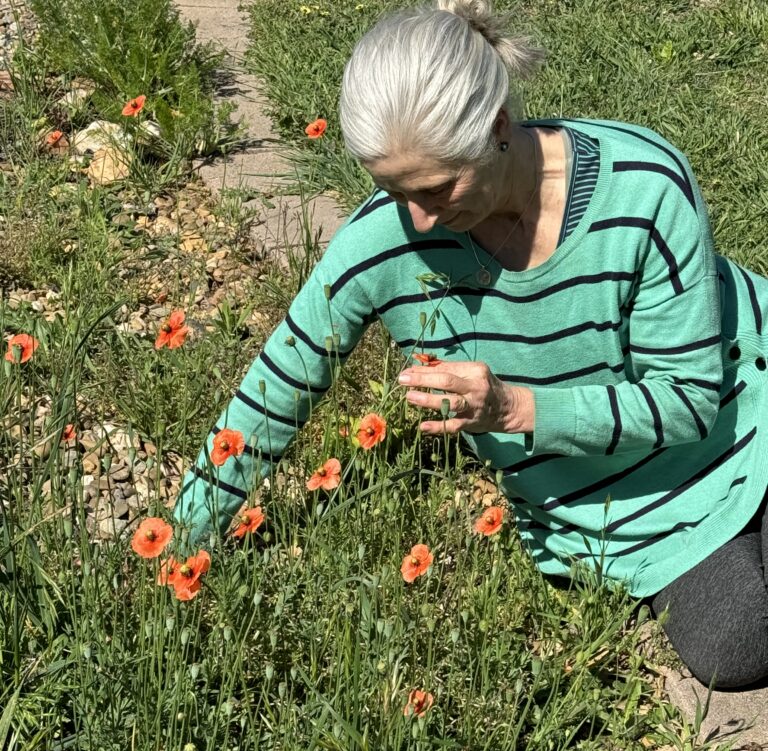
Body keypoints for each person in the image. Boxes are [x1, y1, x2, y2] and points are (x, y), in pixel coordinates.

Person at [173, 0, 768, 689]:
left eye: (438, 187)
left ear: (497, 126)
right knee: (733, 642)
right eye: (392, 191)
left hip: (735, 400)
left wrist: (518, 409)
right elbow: (277, 388)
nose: (420, 217)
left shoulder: (644, 188)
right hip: (617, 491)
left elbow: (691, 400)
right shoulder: (385, 240)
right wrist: (184, 542)